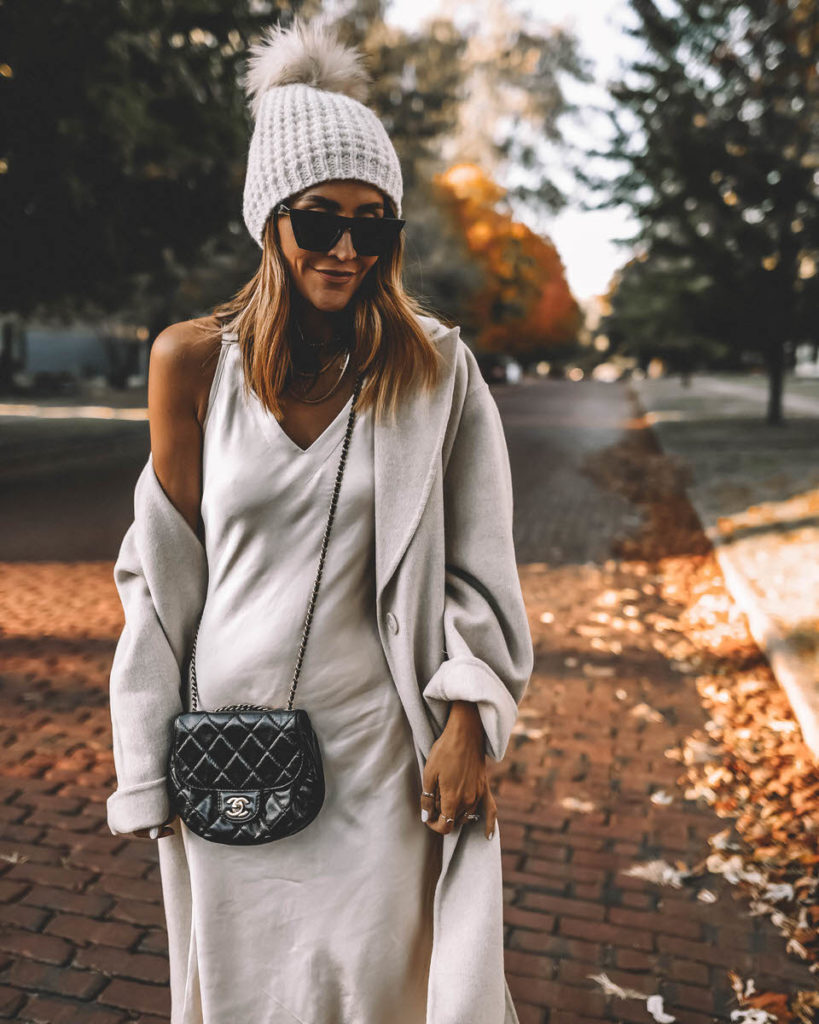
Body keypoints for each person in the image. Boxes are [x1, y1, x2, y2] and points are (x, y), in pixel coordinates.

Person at [105, 15, 533, 1024]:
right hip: (225, 746)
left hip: (381, 747)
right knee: (247, 993)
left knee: (381, 985)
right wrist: (144, 757)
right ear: (271, 221)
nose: (346, 248)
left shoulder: (434, 372)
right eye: (319, 219)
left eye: (373, 224)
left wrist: (473, 713)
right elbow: (161, 581)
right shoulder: (190, 364)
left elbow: (481, 565)